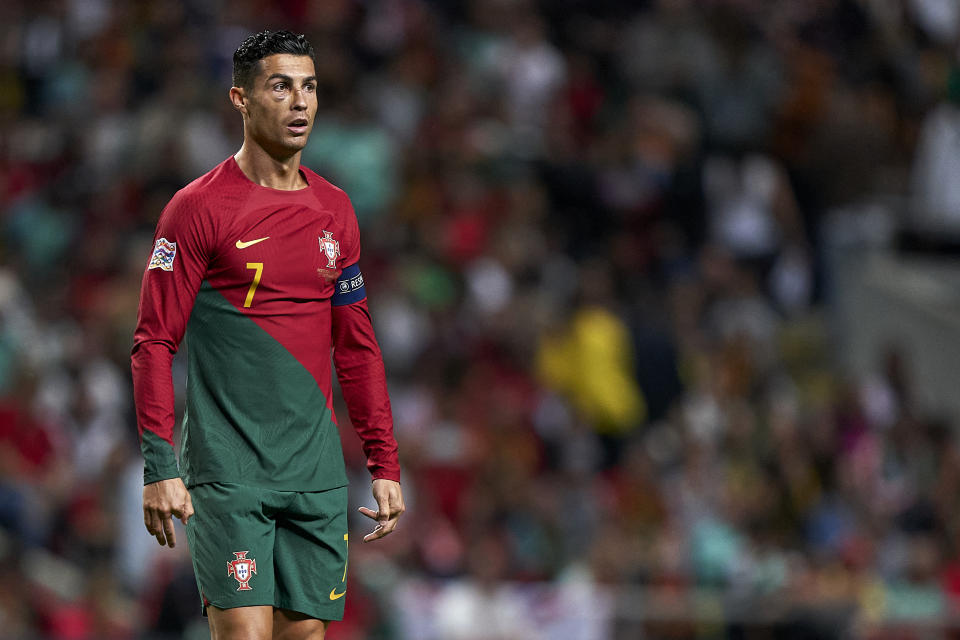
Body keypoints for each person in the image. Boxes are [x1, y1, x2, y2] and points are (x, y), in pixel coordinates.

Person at [130, 30, 404, 640]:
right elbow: (153, 342)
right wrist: (159, 465)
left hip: (315, 470)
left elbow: (357, 348)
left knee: (302, 636)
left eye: (309, 87)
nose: (299, 102)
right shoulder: (197, 208)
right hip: (229, 470)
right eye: (280, 87)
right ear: (241, 100)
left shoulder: (336, 211)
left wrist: (384, 462)